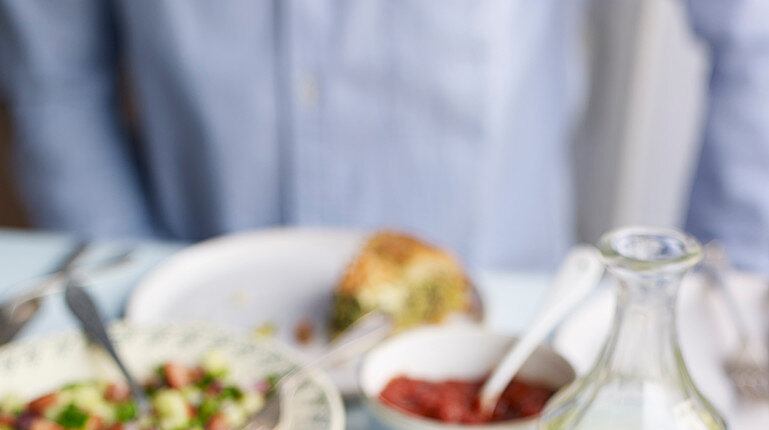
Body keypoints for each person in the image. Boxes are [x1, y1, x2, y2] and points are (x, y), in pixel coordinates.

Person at [0, 0, 767, 273]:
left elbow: (753, 35)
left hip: (496, 324)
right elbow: (53, 77)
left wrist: (714, 297)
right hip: (195, 308)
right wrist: (132, 274)